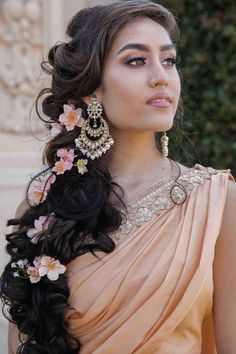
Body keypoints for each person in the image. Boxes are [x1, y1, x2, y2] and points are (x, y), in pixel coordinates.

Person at [1, 0, 236, 353]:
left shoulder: (218, 204)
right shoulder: (45, 205)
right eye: (136, 60)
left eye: (169, 60)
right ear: (92, 88)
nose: (161, 76)